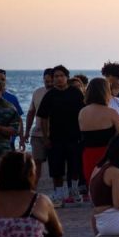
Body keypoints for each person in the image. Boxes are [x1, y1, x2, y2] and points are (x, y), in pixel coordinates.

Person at [36, 65, 86, 207]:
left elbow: (84, 113)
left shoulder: (76, 93)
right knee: (56, 168)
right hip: (55, 138)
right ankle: (58, 195)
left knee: (75, 166)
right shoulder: (50, 95)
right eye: (56, 76)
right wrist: (45, 138)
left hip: (75, 137)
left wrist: (84, 133)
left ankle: (74, 191)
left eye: (61, 76)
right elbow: (43, 118)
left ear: (67, 77)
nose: (58, 79)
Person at [79, 78, 119, 193]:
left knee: (94, 190)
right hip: (107, 155)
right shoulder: (111, 112)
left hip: (88, 154)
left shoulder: (82, 112)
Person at [24, 68, 53, 166]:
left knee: (55, 166)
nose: (48, 84)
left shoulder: (60, 94)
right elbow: (31, 113)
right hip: (37, 134)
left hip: (54, 135)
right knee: (36, 164)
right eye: (46, 81)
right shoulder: (37, 92)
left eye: (51, 81)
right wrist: (27, 132)